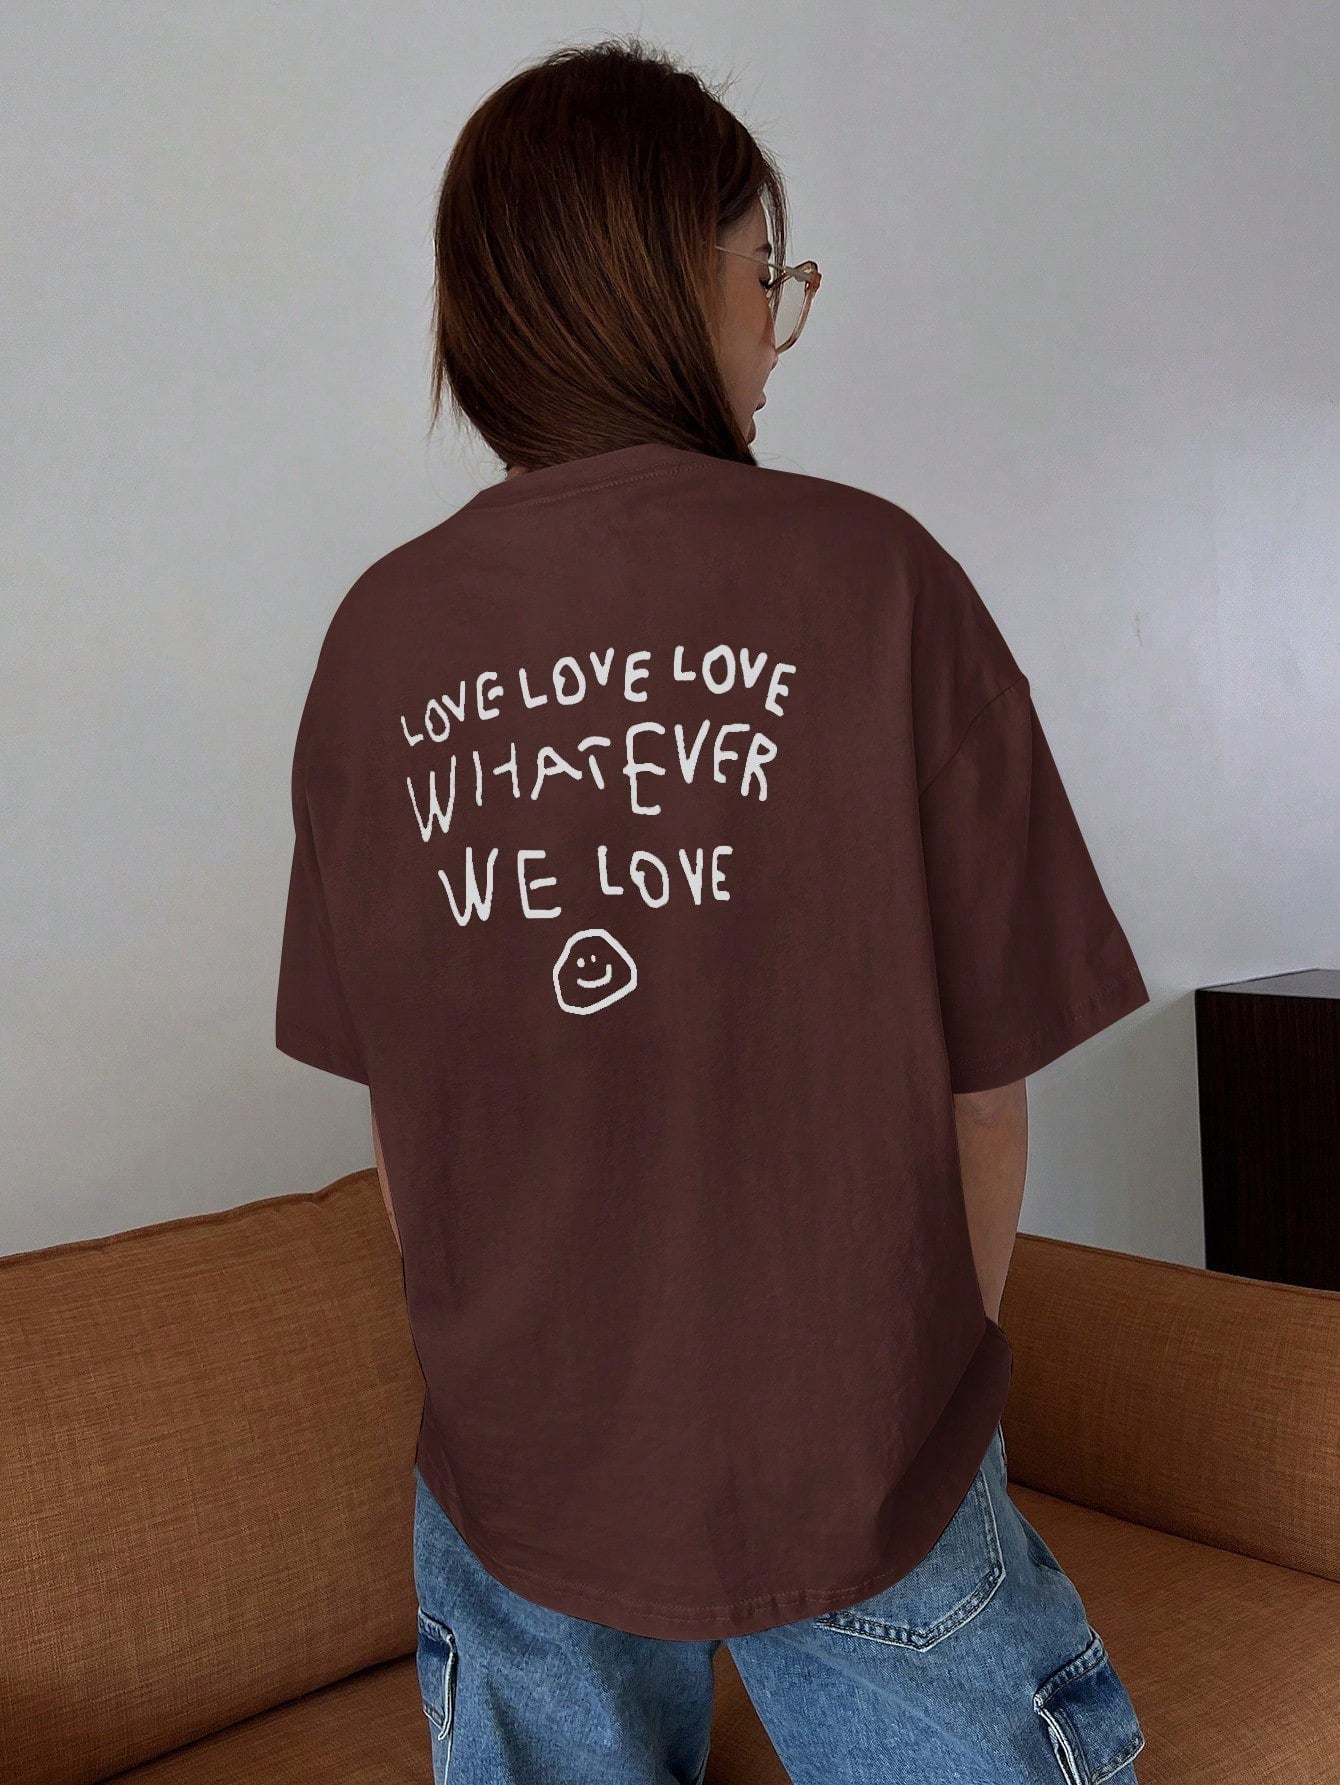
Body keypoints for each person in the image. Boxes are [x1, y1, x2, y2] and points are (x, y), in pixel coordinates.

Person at [276, 34, 1150, 1785]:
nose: (777, 321)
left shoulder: (377, 642)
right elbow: (986, 1098)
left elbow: (406, 1129)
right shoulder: (879, 581)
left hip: (519, 1468)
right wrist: (917, 1389)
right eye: (770, 271)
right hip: (856, 1449)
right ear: (673, 280)